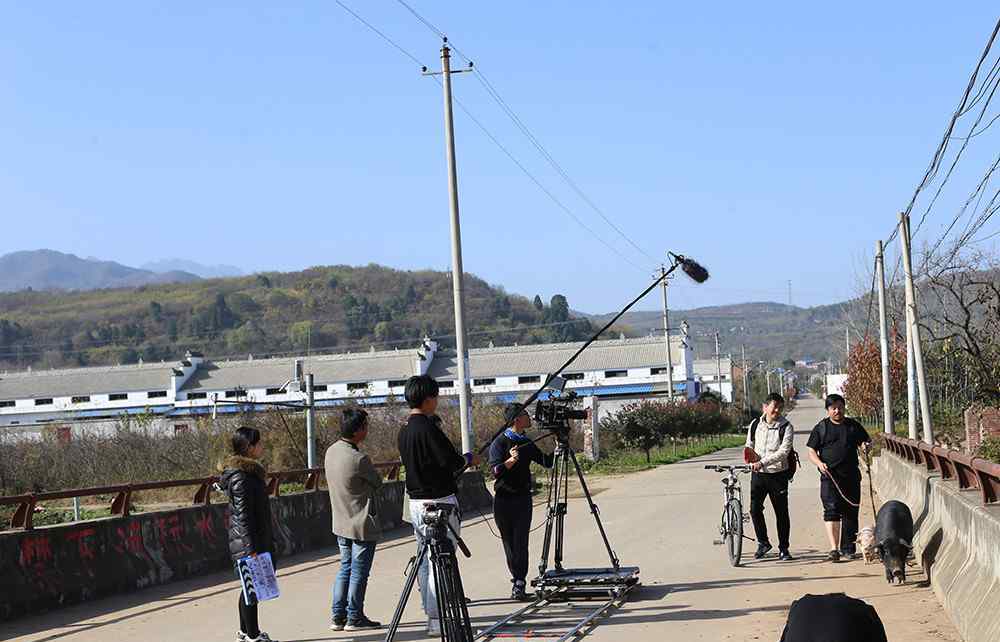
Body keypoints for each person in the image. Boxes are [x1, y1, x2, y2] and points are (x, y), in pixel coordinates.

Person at [397, 375, 481, 636]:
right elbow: (451, 462)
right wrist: (469, 458)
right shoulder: (428, 428)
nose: (437, 401)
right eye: (435, 396)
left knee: (426, 557)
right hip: (439, 503)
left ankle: (432, 615)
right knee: (440, 562)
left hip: (416, 503)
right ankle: (438, 620)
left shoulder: (404, 430)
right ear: (428, 398)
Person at [488, 402, 554, 600]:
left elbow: (546, 462)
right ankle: (516, 579)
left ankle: (520, 581)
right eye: (526, 414)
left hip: (523, 499)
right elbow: (494, 471)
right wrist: (510, 461)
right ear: (517, 419)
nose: (529, 418)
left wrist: (559, 445)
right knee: (509, 542)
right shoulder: (499, 442)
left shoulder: (526, 442)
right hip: (503, 500)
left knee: (521, 541)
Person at [325, 408, 383, 631]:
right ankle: (354, 617)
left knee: (345, 568)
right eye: (366, 426)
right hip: (360, 523)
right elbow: (377, 482)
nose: (367, 430)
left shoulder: (331, 451)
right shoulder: (359, 459)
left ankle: (338, 616)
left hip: (340, 521)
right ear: (358, 430)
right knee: (359, 572)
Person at [220, 426, 278, 642]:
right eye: (259, 443)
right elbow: (243, 518)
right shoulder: (242, 478)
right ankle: (252, 635)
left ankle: (246, 632)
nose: (262, 446)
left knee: (248, 588)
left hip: (253, 540)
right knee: (250, 589)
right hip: (248, 543)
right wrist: (251, 550)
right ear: (249, 447)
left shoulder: (249, 474)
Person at [806, 394, 872, 562]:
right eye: (833, 408)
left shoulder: (853, 426)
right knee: (831, 511)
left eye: (840, 407)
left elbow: (865, 442)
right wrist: (819, 464)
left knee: (851, 513)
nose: (837, 411)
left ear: (844, 408)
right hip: (829, 477)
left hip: (851, 476)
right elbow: (811, 451)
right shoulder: (821, 428)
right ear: (828, 410)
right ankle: (834, 549)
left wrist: (865, 446)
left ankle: (848, 548)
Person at [745, 393, 795, 561]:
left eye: (781, 408)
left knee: (781, 513)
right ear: (765, 407)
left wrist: (763, 462)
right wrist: (750, 459)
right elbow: (749, 444)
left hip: (777, 475)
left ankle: (784, 548)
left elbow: (783, 452)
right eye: (775, 407)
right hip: (758, 475)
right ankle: (763, 542)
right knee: (754, 509)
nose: (778, 410)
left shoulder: (786, 427)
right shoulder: (754, 425)